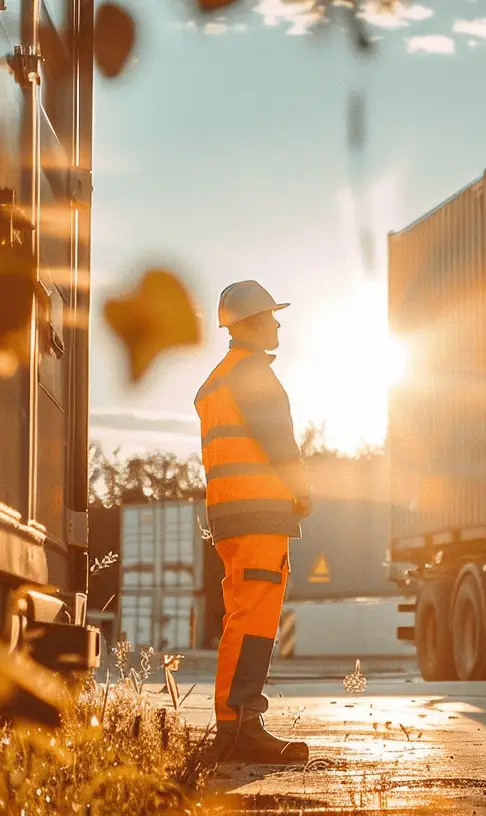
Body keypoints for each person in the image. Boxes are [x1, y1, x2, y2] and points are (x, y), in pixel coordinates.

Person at [194, 280, 314, 764]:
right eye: (272, 315)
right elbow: (280, 445)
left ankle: (239, 721)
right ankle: (241, 724)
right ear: (252, 323)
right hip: (260, 511)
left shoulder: (217, 380)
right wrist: (302, 491)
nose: (279, 323)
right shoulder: (252, 376)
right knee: (255, 616)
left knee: (244, 613)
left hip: (230, 513)